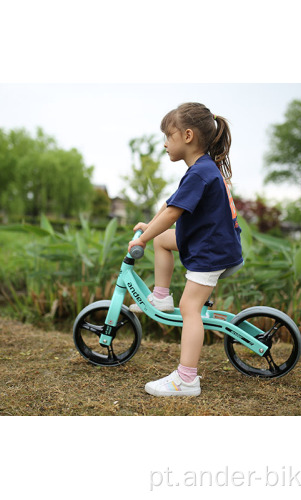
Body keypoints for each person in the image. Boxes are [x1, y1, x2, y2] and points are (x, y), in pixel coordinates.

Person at [127, 102, 243, 397]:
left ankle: (187, 379)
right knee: (162, 239)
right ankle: (162, 297)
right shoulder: (201, 168)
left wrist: (140, 239)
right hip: (210, 242)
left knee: (191, 308)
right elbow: (168, 205)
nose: (165, 143)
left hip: (211, 250)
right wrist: (149, 228)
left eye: (168, 136)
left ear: (187, 135)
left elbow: (172, 214)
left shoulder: (200, 172)